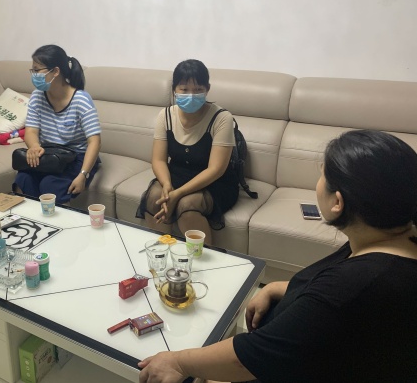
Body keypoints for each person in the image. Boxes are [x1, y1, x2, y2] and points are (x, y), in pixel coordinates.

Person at [138, 129, 417, 383]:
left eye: (322, 177)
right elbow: (337, 307)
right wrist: (277, 287)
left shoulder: (355, 284)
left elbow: (246, 360)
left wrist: (178, 362)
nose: (318, 184)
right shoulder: (389, 237)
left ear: (337, 202)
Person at [135, 59, 238, 241]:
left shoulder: (222, 118)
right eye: (184, 89)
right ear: (174, 89)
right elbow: (158, 160)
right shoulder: (166, 115)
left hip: (215, 182)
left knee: (187, 205)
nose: (191, 95)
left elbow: (216, 169)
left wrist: (178, 194)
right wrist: (167, 185)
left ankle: (204, 256)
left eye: (198, 89)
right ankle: (164, 250)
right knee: (155, 197)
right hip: (178, 174)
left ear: (207, 89)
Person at [13, 45, 101, 204]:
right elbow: (31, 131)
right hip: (48, 154)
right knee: (23, 179)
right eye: (32, 70)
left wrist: (83, 174)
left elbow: (94, 141)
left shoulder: (81, 99)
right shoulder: (37, 96)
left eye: (37, 70)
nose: (34, 75)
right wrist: (34, 146)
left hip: (76, 157)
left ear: (55, 71)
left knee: (50, 185)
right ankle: (28, 217)